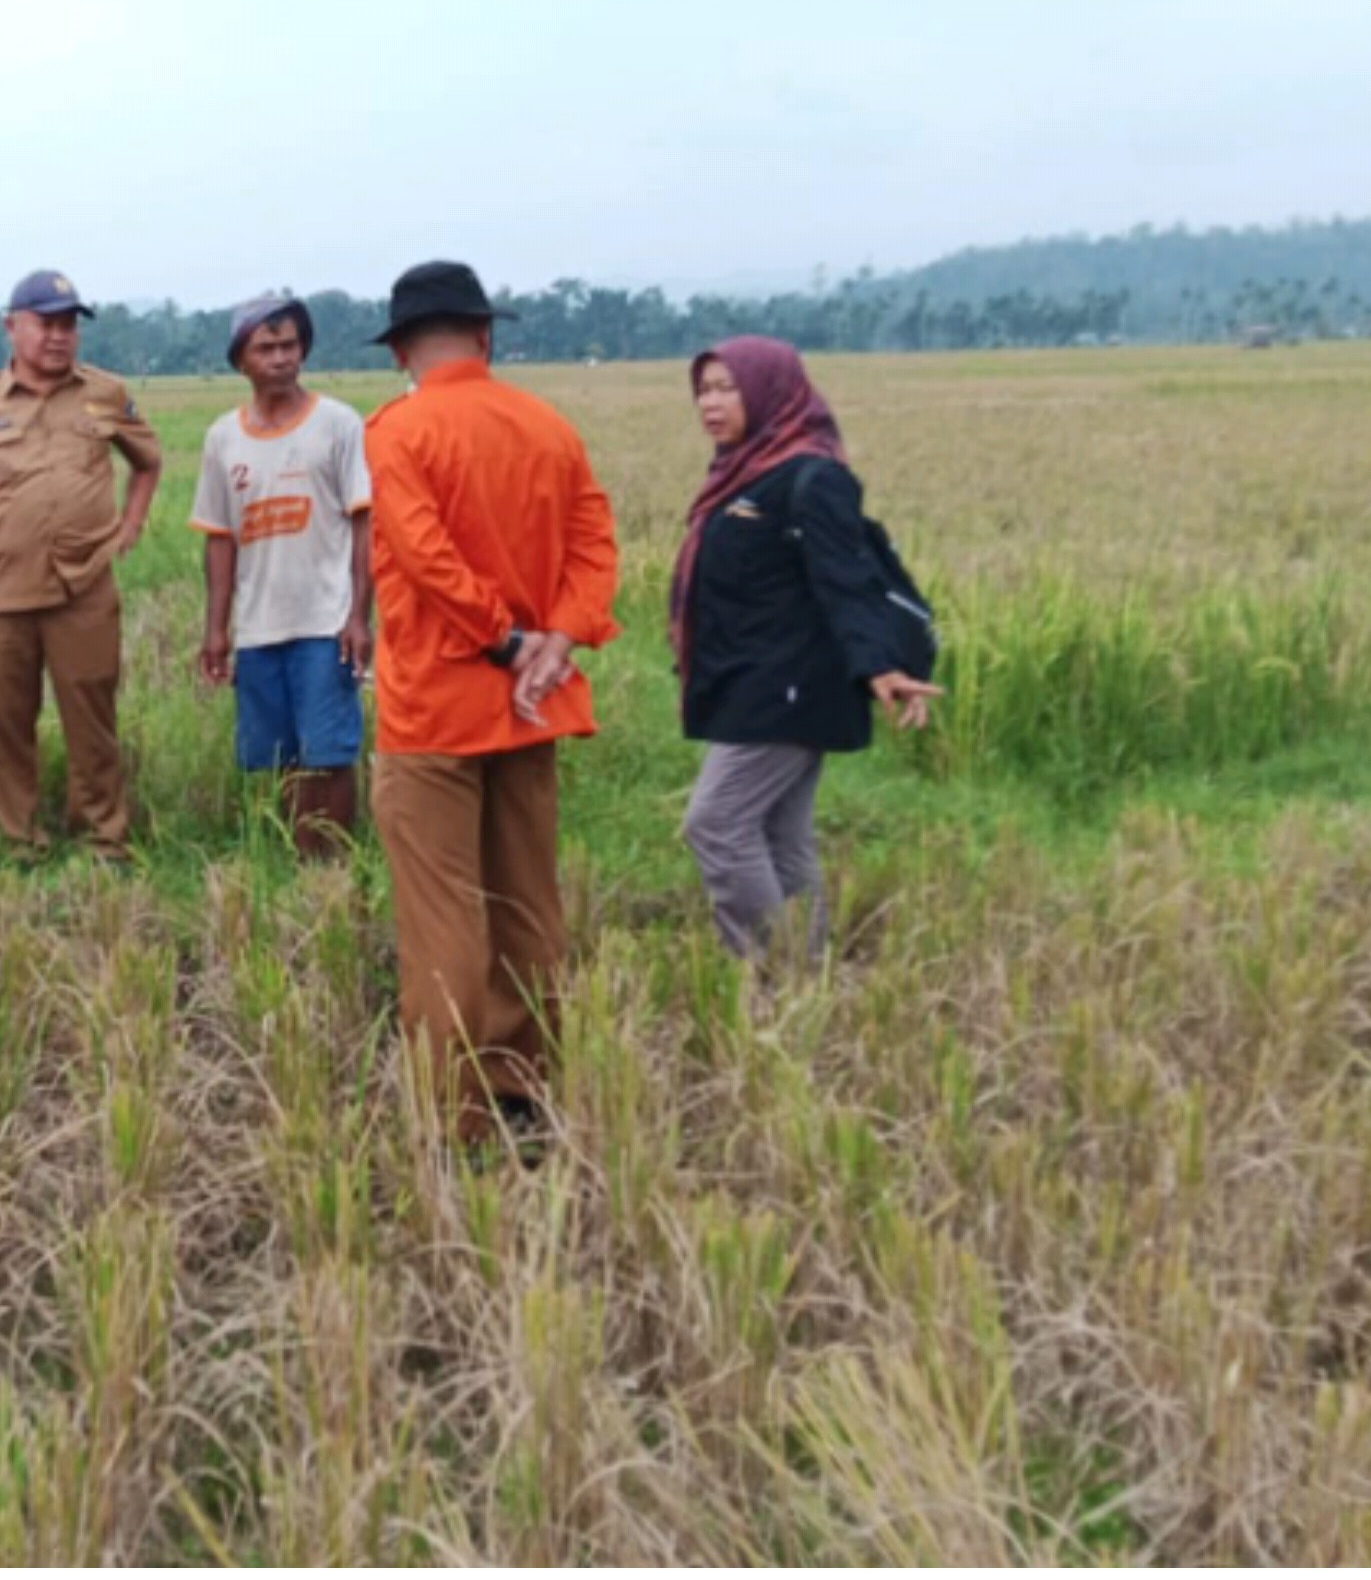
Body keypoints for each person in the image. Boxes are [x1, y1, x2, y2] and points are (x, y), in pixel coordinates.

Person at [363, 260, 621, 1146]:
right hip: (530, 704)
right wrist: (559, 638)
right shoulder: (548, 426)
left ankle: (453, 1119)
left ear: (400, 350)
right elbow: (594, 542)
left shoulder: (398, 431)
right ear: (485, 336)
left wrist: (504, 638)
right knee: (526, 903)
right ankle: (525, 1087)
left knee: (443, 920)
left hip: (433, 709)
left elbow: (424, 556)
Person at [671, 338, 940, 965]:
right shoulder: (743, 474)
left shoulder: (814, 478)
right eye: (703, 390)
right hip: (751, 681)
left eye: (728, 388)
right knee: (779, 831)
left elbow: (846, 579)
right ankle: (804, 980)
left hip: (790, 687)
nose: (711, 403)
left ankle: (771, 974)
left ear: (771, 391)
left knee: (716, 822)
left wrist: (879, 663)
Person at [0, 271, 163, 855]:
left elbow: (148, 461)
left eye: (69, 325)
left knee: (92, 717)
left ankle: (103, 837)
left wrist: (131, 523)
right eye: (46, 324)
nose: (59, 336)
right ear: (12, 327)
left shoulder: (104, 393)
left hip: (84, 589)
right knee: (5, 722)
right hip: (2, 593)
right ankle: (20, 839)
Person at [192, 292, 374, 853]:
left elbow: (364, 525)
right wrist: (216, 630)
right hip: (259, 627)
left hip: (324, 623)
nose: (280, 359)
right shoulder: (223, 438)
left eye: (290, 346)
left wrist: (358, 616)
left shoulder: (338, 424)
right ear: (240, 360)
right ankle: (302, 857)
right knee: (280, 757)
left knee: (330, 753)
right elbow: (220, 539)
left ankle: (332, 865)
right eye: (265, 348)